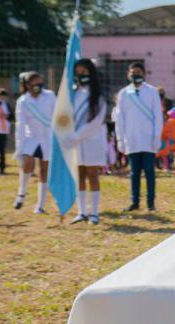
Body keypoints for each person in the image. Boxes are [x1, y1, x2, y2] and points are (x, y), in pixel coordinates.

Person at [115, 62, 164, 212]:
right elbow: (119, 117)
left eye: (138, 72)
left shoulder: (152, 91)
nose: (135, 75)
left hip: (148, 138)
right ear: (128, 74)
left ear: (144, 74)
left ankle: (151, 203)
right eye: (132, 72)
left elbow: (158, 115)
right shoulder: (124, 93)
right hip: (132, 138)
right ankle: (134, 202)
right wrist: (120, 138)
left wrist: (157, 136)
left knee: (149, 172)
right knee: (134, 173)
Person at [64, 59, 107, 225]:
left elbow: (96, 122)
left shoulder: (97, 95)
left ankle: (94, 213)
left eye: (84, 72)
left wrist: (76, 136)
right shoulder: (73, 94)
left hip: (91, 140)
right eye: (78, 73)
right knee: (79, 176)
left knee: (92, 175)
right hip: (75, 143)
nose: (80, 76)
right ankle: (81, 212)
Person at [13, 72, 55, 213]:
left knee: (44, 170)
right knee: (27, 165)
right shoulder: (23, 101)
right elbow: (20, 125)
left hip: (48, 139)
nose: (38, 85)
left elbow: (57, 115)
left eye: (39, 82)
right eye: (34, 83)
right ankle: (21, 194)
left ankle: (40, 205)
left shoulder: (50, 96)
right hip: (31, 138)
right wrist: (19, 148)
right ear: (27, 85)